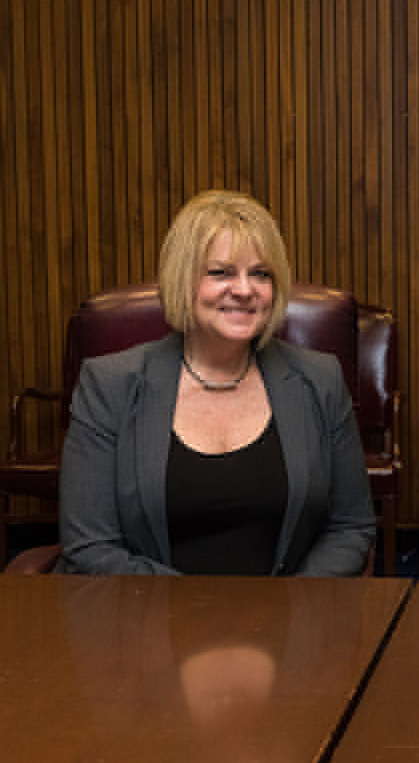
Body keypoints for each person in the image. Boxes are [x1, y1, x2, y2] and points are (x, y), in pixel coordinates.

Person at [58, 189, 376, 575]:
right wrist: (205, 617)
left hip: (286, 625)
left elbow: (350, 528)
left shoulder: (319, 379)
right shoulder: (109, 386)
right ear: (183, 280)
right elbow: (91, 548)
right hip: (148, 623)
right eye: (220, 272)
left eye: (260, 274)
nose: (244, 290)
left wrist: (290, 608)